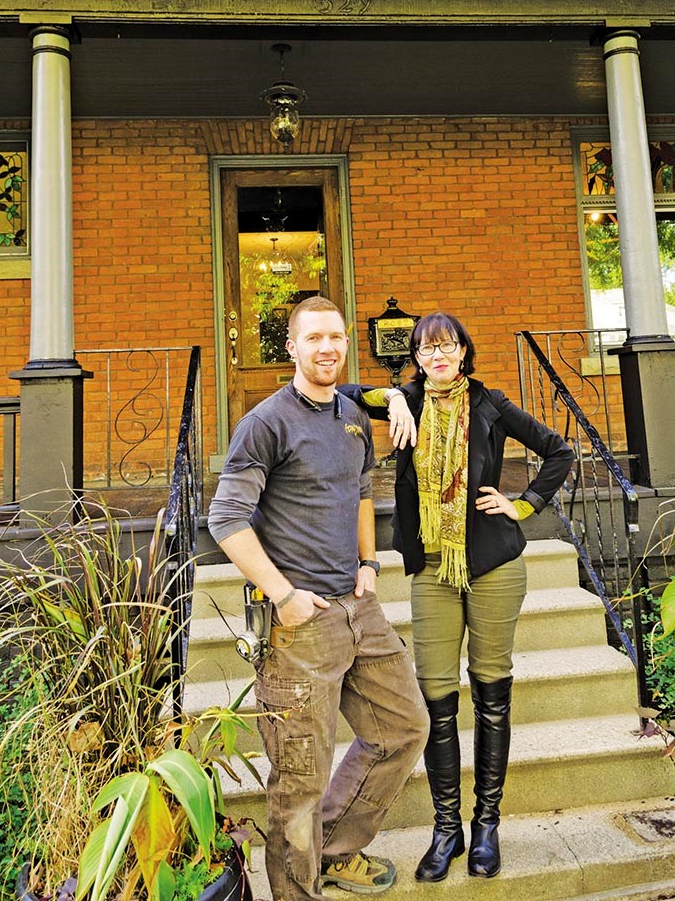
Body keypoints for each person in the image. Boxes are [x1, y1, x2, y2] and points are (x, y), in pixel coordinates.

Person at [207, 296, 429, 901]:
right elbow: (226, 516)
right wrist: (282, 594)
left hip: (359, 607)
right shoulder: (266, 422)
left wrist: (368, 563)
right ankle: (295, 890)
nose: (326, 347)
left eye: (335, 336)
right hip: (301, 625)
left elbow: (359, 491)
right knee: (299, 780)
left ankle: (330, 851)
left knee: (404, 728)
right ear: (292, 347)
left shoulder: (352, 413)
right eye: (313, 338)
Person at [341, 312, 574, 882]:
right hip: (433, 571)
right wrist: (395, 399)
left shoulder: (490, 402)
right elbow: (343, 388)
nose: (436, 356)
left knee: (492, 693)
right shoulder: (407, 401)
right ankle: (448, 829)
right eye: (426, 349)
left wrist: (522, 505)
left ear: (464, 351)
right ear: (416, 358)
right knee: (437, 698)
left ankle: (487, 824)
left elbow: (559, 451)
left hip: (494, 563)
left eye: (446, 346)